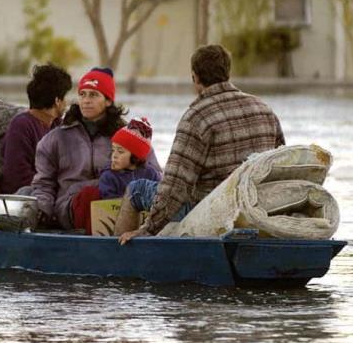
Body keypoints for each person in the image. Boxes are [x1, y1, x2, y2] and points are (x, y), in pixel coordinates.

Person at [118, 44, 284, 243]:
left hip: (209, 209)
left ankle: (118, 255)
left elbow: (174, 187)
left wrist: (148, 229)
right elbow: (277, 166)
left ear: (195, 78)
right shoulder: (264, 109)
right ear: (227, 73)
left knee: (136, 188)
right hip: (254, 205)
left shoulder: (196, 117)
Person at [31, 67, 160, 230]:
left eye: (93, 95)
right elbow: (44, 184)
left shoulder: (130, 137)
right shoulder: (56, 139)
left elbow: (154, 176)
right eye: (82, 94)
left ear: (108, 101)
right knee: (90, 195)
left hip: (123, 203)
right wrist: (42, 213)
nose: (86, 100)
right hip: (72, 206)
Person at [0, 63, 73, 195]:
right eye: (65, 98)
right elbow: (16, 178)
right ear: (57, 100)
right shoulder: (21, 126)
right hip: (27, 196)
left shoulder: (57, 126)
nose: (67, 103)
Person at [97, 117, 161, 199]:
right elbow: (107, 202)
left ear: (135, 156)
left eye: (120, 151)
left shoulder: (151, 174)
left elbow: (160, 195)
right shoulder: (109, 176)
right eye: (113, 150)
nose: (114, 155)